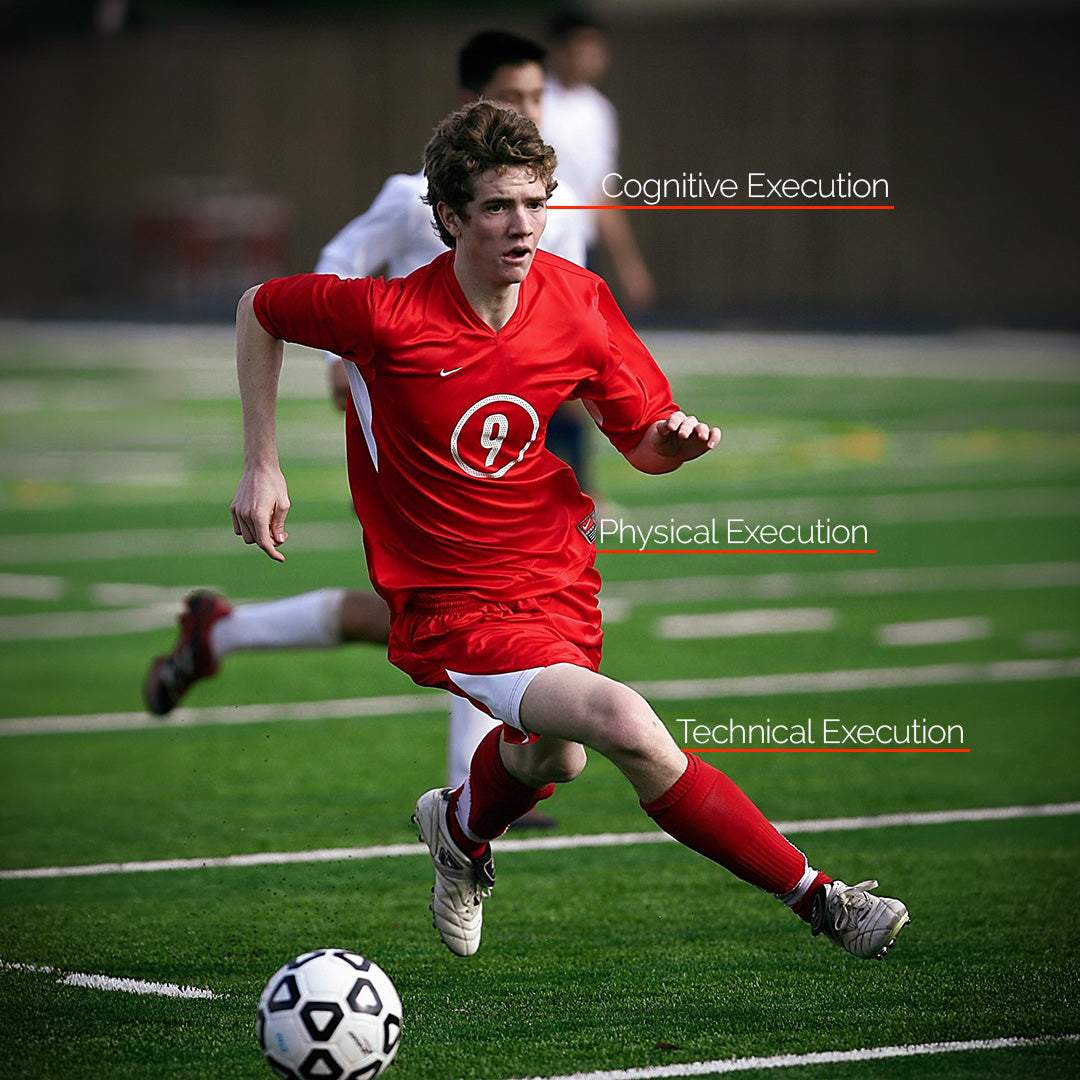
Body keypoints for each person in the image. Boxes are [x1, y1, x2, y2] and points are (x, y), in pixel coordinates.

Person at [229, 100, 910, 963]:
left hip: (555, 576)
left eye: (537, 202)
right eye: (498, 208)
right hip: (451, 599)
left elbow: (642, 442)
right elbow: (259, 307)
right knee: (622, 723)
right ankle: (823, 900)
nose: (525, 227)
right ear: (447, 217)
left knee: (555, 760)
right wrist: (263, 461)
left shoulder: (578, 302)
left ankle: (460, 833)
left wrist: (674, 442)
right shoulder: (386, 315)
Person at [144, 31, 589, 808]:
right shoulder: (410, 194)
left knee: (442, 610)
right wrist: (341, 364)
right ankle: (469, 791)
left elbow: (570, 311)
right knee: (472, 602)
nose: (530, 110)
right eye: (512, 96)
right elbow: (330, 267)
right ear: (471, 104)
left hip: (518, 432)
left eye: (538, 97)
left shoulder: (551, 197)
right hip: (418, 437)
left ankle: (221, 631)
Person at [543, 9, 656, 312]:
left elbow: (601, 193)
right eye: (582, 48)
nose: (591, 58)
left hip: (580, 244)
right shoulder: (535, 102)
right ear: (558, 49)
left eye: (596, 49)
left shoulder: (599, 111)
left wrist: (629, 266)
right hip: (536, 243)